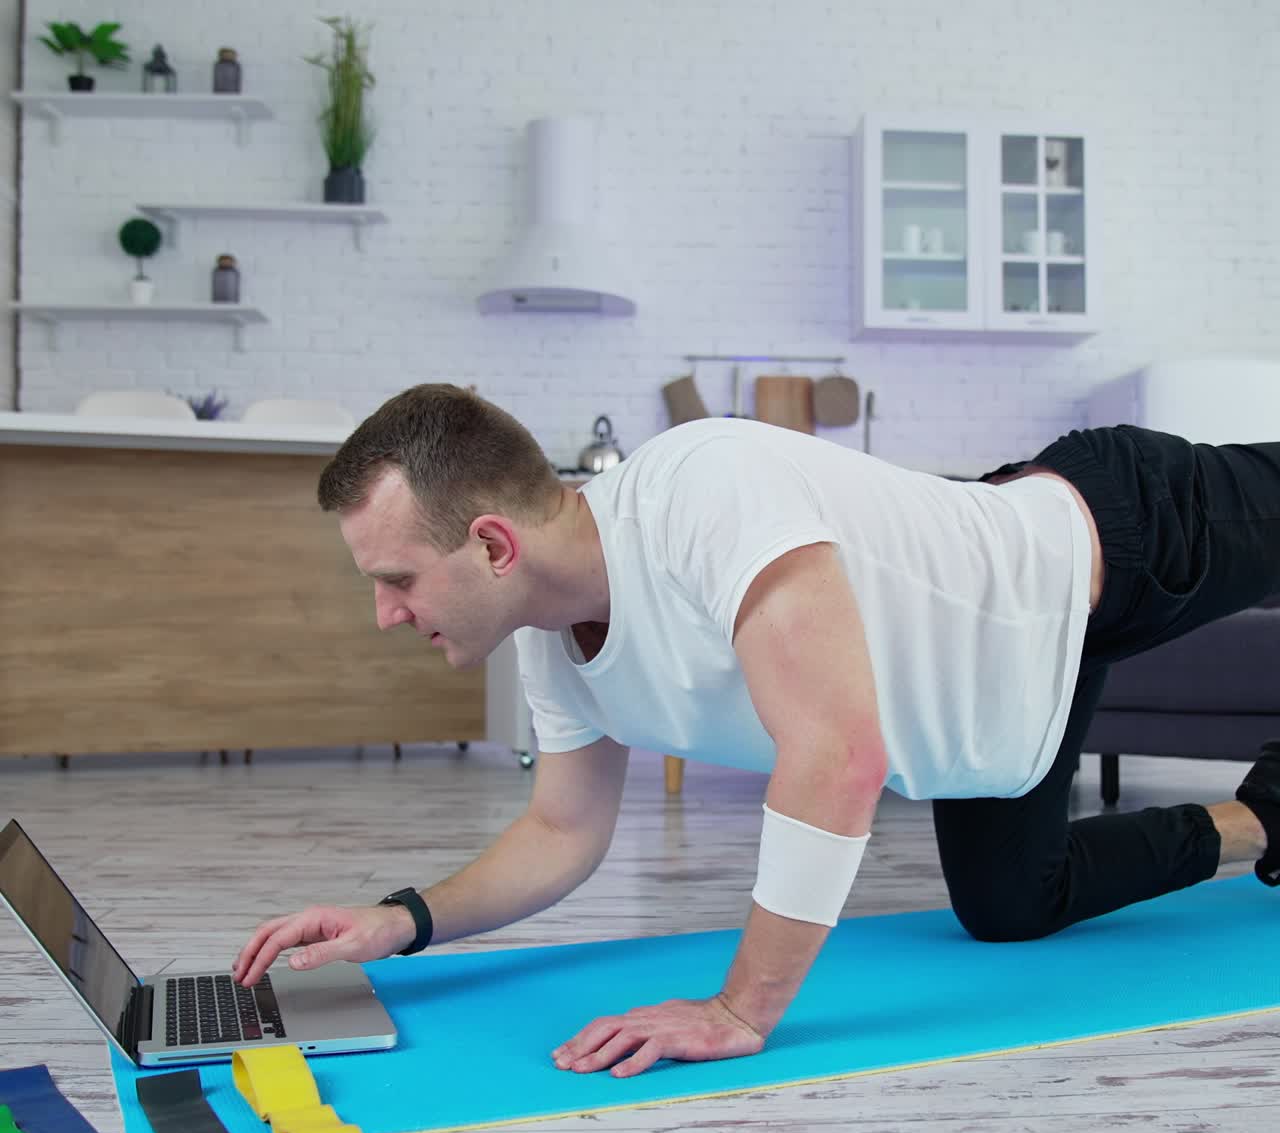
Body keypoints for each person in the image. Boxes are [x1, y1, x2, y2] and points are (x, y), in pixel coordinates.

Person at [233, 383, 1280, 1079]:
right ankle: (1266, 817)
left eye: (396, 580)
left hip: (1114, 536)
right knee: (1009, 905)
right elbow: (560, 831)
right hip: (1007, 676)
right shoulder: (548, 636)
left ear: (493, 543)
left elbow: (838, 757)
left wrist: (739, 1009)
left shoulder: (703, 488)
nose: (385, 613)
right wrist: (397, 919)